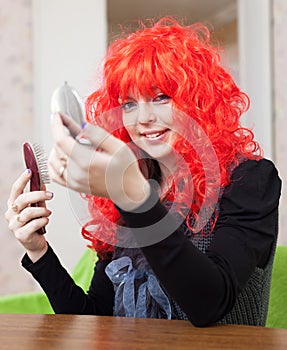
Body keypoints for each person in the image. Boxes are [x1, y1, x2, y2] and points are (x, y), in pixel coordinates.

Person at [5, 17, 281, 327]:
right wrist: (38, 251)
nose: (144, 118)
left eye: (161, 97)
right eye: (129, 104)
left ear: (197, 101)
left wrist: (134, 197)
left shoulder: (251, 179)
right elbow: (97, 318)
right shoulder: (130, 186)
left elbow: (210, 305)